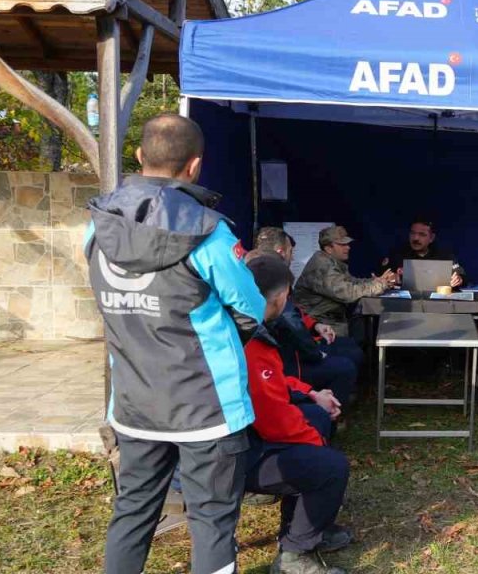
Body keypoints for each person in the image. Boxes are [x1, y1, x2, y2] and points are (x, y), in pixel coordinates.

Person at [89, 113, 266, 574]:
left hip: (134, 402)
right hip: (206, 407)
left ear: (140, 156)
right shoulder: (209, 233)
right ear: (195, 167)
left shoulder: (97, 227)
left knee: (133, 512)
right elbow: (250, 308)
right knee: (211, 521)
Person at [242, 255, 351, 574]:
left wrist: (313, 394)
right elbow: (274, 419)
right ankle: (294, 555)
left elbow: (272, 380)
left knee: (315, 420)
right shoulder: (250, 338)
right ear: (281, 296)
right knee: (330, 466)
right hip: (230, 453)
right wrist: (314, 442)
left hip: (235, 438)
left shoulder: (243, 322)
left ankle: (309, 526)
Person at [250, 229, 360, 409]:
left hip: (294, 346)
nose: (293, 258)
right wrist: (316, 354)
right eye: (291, 251)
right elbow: (290, 321)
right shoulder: (273, 276)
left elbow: (294, 312)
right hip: (285, 359)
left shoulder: (256, 268)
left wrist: (315, 325)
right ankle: (327, 414)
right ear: (281, 252)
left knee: (350, 347)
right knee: (345, 364)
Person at [295, 225, 397, 333]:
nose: (348, 247)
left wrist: (375, 281)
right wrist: (379, 285)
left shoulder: (332, 262)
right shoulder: (322, 266)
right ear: (328, 248)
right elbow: (347, 292)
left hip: (330, 320)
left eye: (347, 244)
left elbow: (351, 282)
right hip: (318, 324)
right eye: (342, 244)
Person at [380, 217, 463, 288]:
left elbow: (461, 275)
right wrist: (390, 279)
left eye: (422, 234)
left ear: (431, 238)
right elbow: (380, 277)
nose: (415, 238)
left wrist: (458, 279)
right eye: (413, 233)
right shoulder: (397, 253)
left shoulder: (444, 255)